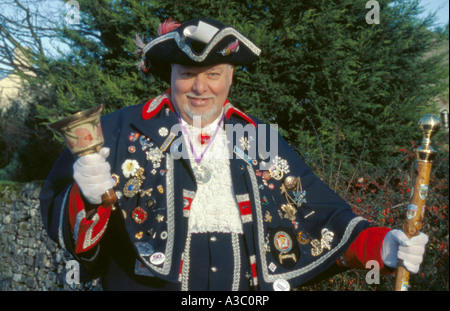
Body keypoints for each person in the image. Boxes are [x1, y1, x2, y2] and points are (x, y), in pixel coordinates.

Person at [40, 18, 428, 291]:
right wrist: (85, 197)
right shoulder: (118, 130)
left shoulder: (257, 138)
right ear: (170, 76)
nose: (200, 88)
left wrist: (379, 245)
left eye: (213, 74)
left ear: (230, 76)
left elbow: (316, 211)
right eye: (187, 74)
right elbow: (66, 224)